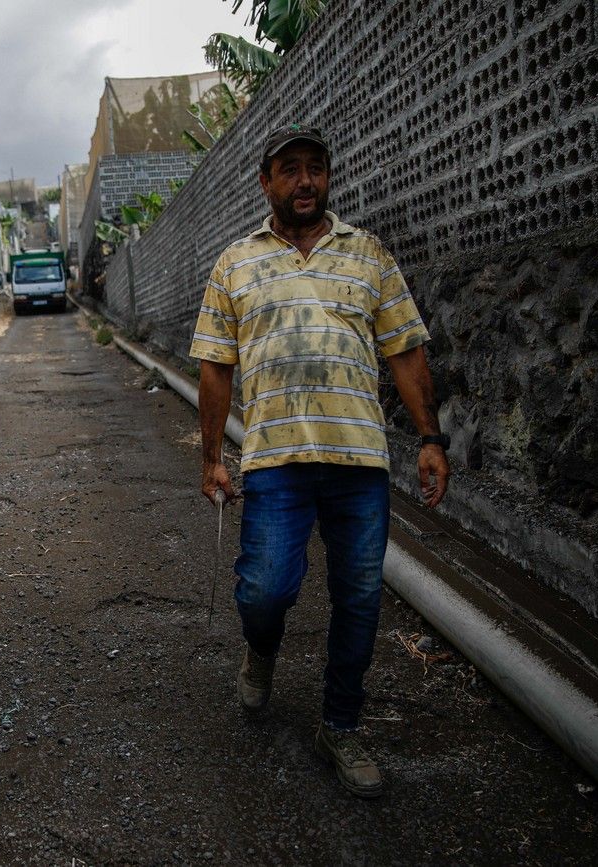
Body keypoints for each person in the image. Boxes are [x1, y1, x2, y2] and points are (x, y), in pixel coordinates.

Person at [190, 125, 450, 797]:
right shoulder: (235, 262)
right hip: (275, 458)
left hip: (358, 459)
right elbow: (215, 366)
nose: (305, 180)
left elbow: (405, 349)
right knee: (265, 590)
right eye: (290, 170)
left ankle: (341, 723)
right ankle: (263, 648)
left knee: (360, 596)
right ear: (266, 182)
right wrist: (212, 454)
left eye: (316, 169)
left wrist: (430, 436)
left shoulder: (368, 254)